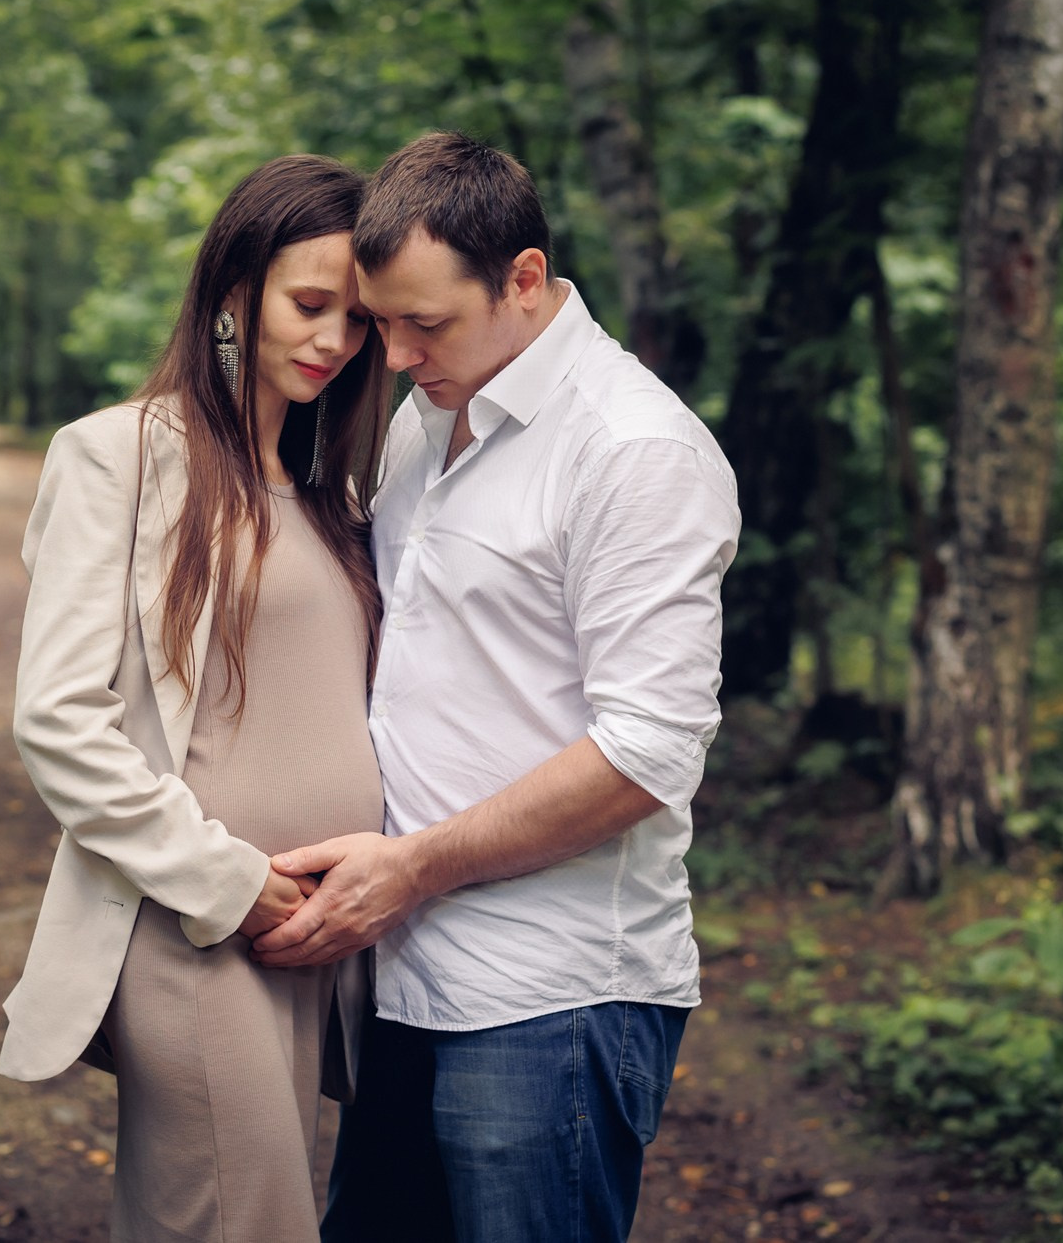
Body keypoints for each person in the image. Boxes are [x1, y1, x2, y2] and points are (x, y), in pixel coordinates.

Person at [251, 132, 742, 1242]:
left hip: (549, 995)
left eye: (423, 322)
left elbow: (646, 752)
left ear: (523, 280)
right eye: (381, 320)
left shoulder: (632, 452)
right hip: (405, 978)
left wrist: (408, 869)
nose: (388, 353)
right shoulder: (426, 421)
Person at [0, 154, 396, 1242]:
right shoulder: (119, 456)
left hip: (325, 942)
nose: (332, 341)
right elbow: (58, 719)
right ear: (232, 292)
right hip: (197, 928)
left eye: (357, 322)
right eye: (308, 305)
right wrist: (222, 879)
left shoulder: (339, 491)